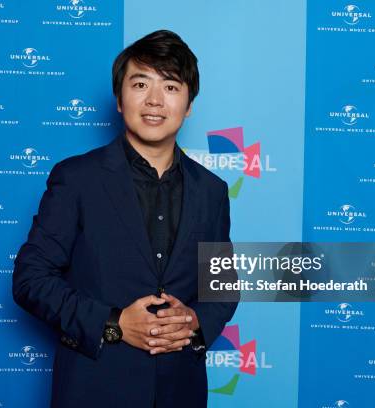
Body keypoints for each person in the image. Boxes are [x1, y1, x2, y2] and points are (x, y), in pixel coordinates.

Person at [13, 29, 237, 408]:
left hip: (180, 390)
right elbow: (31, 280)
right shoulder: (77, 178)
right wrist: (113, 324)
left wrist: (194, 323)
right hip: (94, 388)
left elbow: (221, 286)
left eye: (170, 87)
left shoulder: (212, 190)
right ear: (119, 98)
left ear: (189, 104)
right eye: (140, 84)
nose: (154, 100)